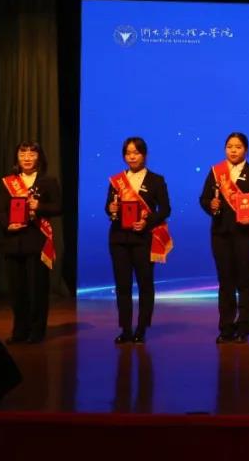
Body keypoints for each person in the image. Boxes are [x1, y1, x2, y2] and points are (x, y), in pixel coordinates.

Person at [200, 132, 249, 344]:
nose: (233, 150)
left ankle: (244, 326)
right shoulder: (216, 172)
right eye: (229, 147)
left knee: (245, 280)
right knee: (225, 282)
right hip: (221, 234)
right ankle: (226, 327)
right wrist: (211, 205)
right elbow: (204, 199)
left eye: (238, 147)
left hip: (246, 235)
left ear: (246, 150)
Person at [105, 137, 172, 344]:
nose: (132, 157)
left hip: (143, 239)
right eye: (128, 153)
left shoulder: (156, 180)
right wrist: (110, 208)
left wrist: (147, 222)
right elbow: (109, 207)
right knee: (122, 286)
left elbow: (165, 209)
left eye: (136, 152)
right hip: (119, 239)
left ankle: (141, 329)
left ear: (144, 155)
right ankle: (125, 329)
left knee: (145, 284)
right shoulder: (117, 181)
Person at [0, 141, 62, 344]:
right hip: (13, 241)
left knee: (37, 289)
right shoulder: (9, 182)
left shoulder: (48, 181)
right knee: (17, 291)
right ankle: (19, 331)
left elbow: (58, 207)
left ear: (39, 157)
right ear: (17, 157)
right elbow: (0, 210)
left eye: (32, 154)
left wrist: (39, 206)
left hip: (37, 241)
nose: (27, 158)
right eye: (22, 153)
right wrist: (8, 224)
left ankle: (37, 331)